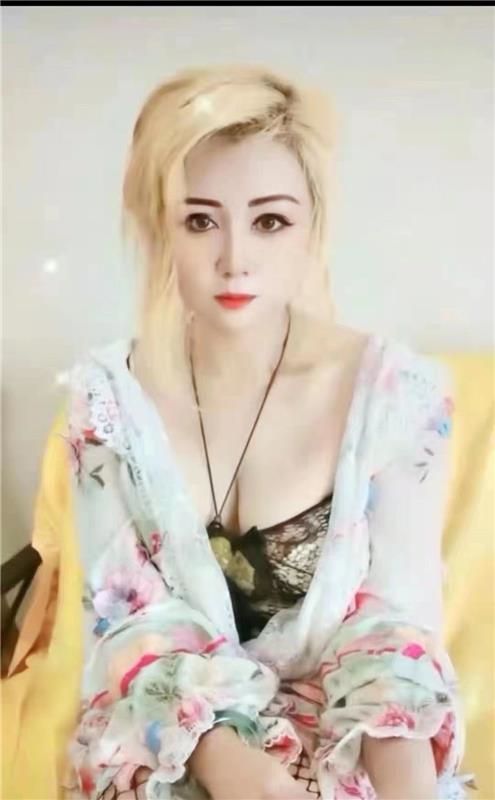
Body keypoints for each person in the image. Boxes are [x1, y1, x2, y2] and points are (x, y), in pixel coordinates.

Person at [8, 64, 473, 800]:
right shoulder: (110, 400)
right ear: (157, 225)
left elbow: (395, 625)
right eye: (200, 220)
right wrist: (229, 766)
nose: (235, 260)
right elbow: (132, 627)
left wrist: (406, 789)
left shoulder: (395, 396)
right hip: (169, 739)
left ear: (311, 226)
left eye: (269, 220)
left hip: (354, 739)